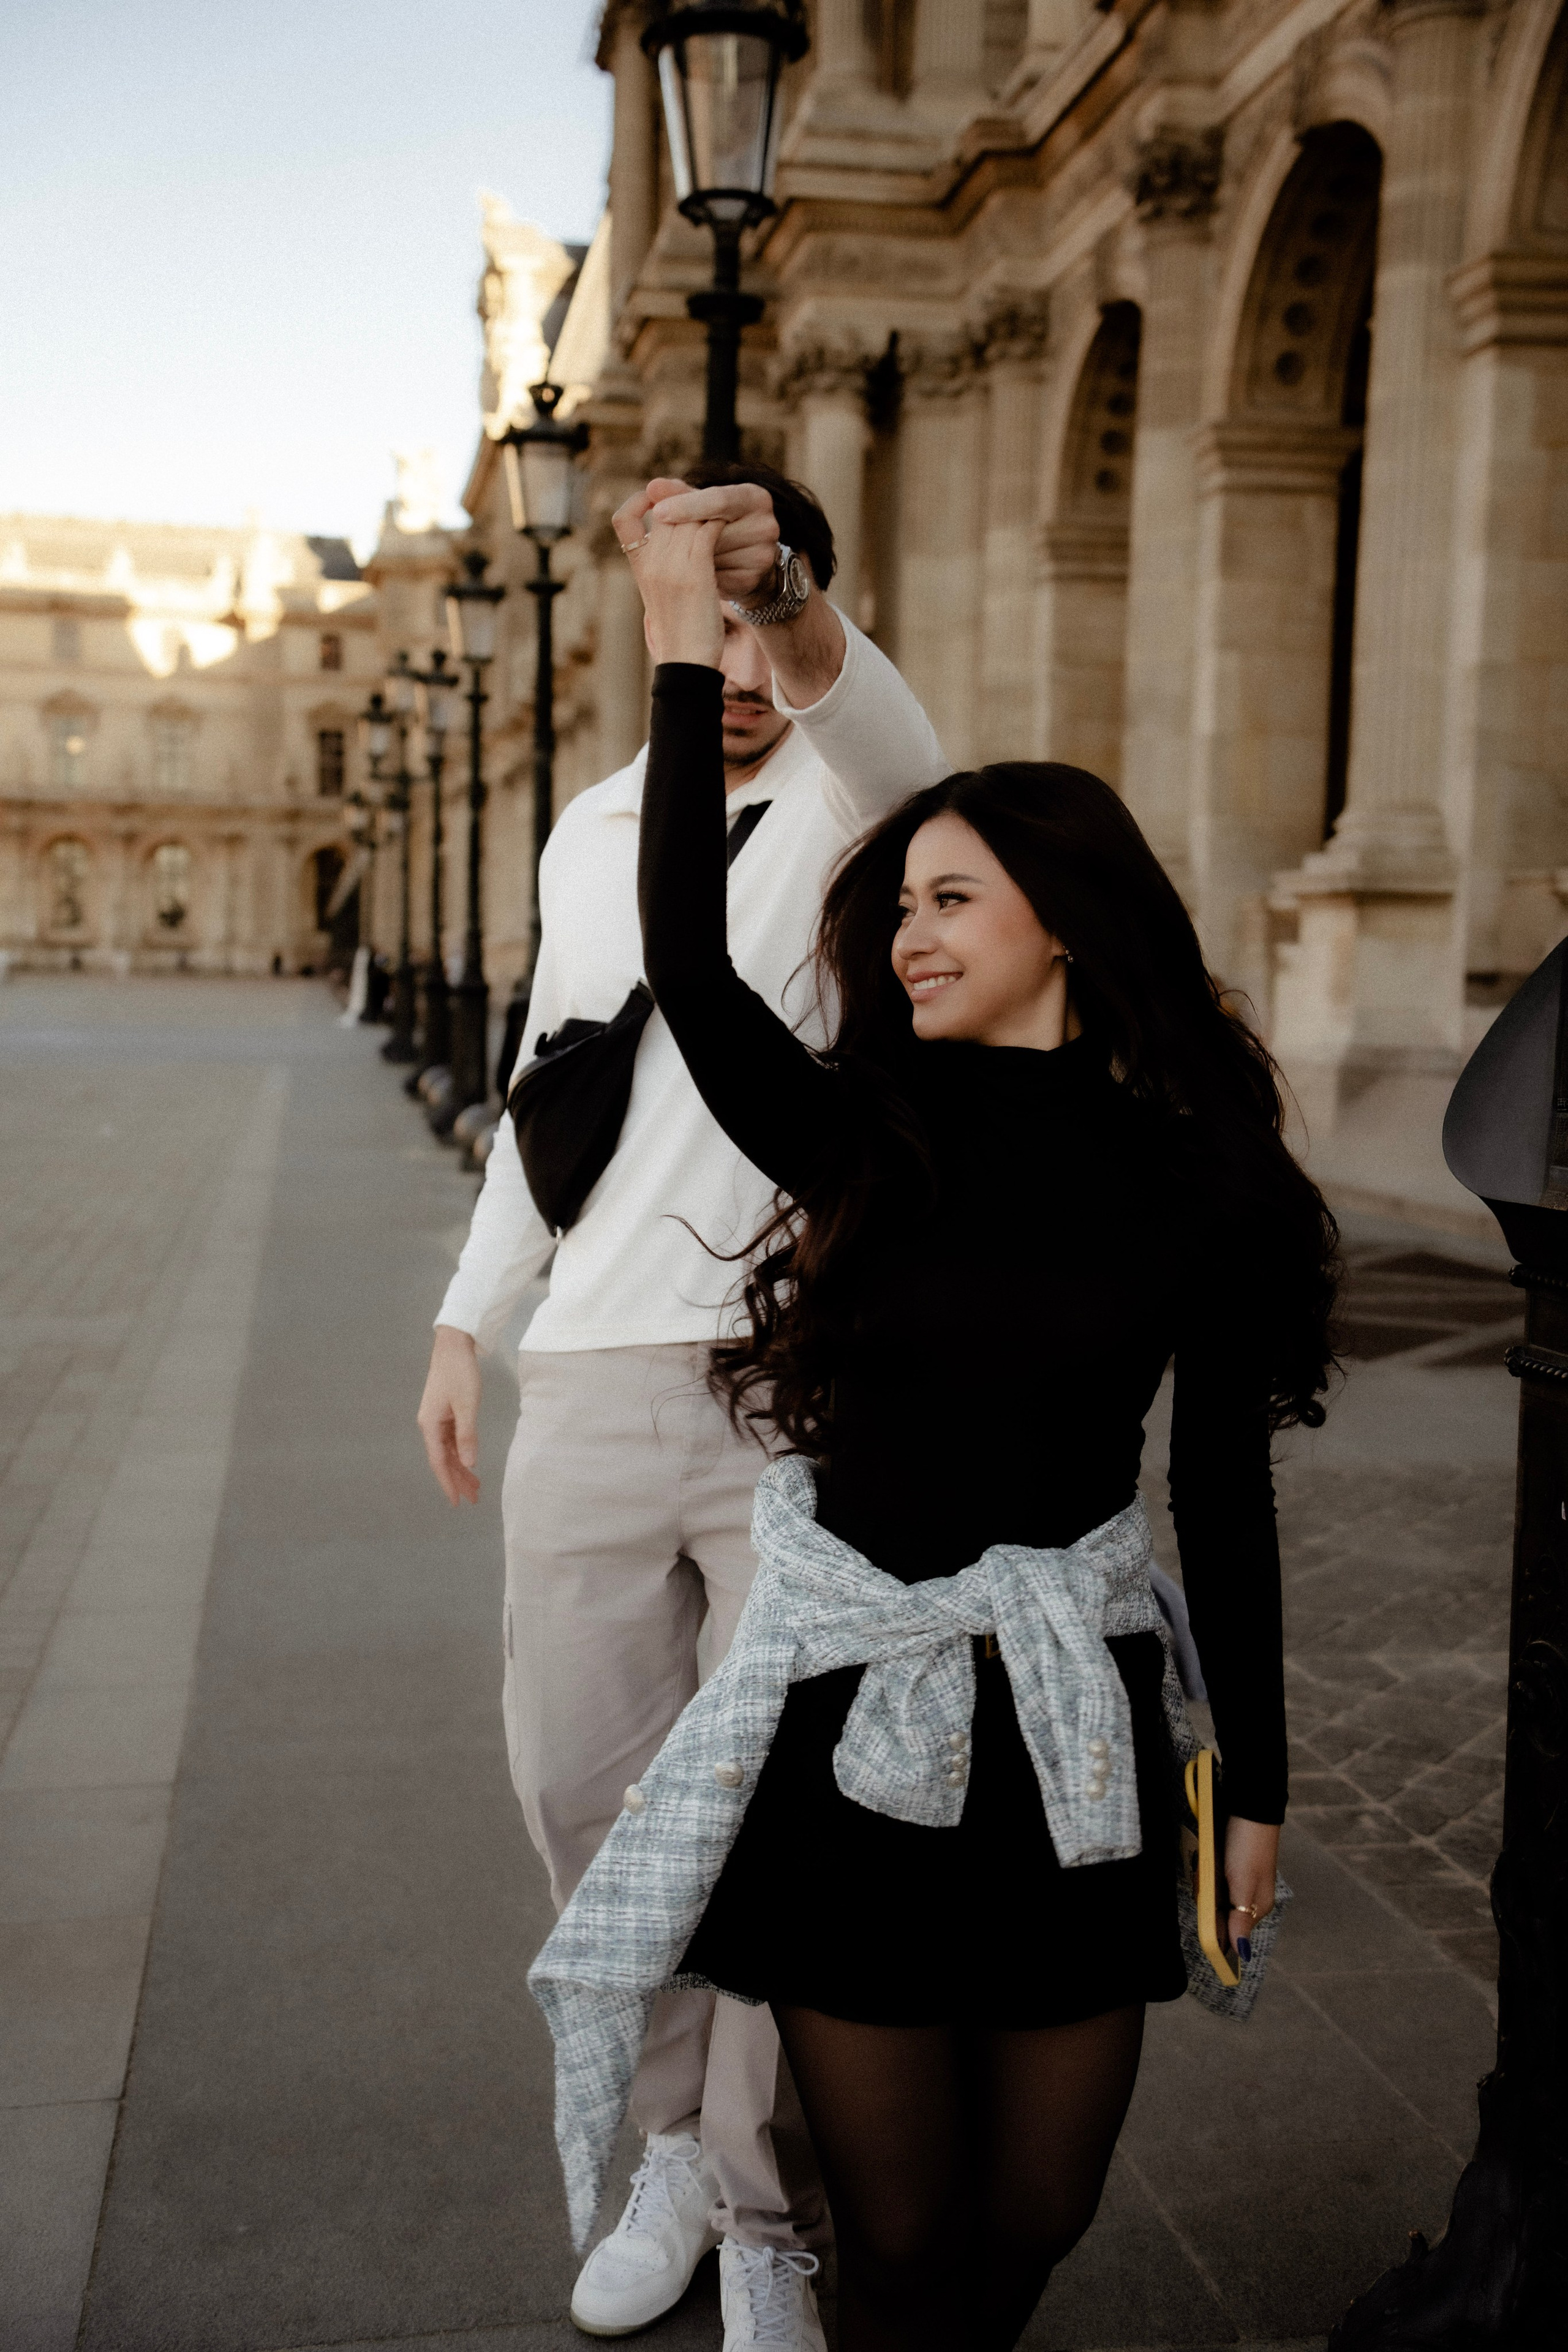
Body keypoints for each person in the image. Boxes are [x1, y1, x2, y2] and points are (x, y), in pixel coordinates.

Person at [575, 508, 1338, 2352]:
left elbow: (1224, 1500)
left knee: (1036, 2219)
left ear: (1063, 920)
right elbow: (684, 955)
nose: (904, 937)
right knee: (901, 2242)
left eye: (949, 901)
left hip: (1076, 1746)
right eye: (898, 904)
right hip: (858, 1750)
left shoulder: (1205, 1183)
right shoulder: (861, 1139)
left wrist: (1258, 1784)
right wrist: (682, 643)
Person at [417, 465, 949, 2351]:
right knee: (584, 1791)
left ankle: (759, 2206)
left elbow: (870, 718)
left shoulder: (868, 805)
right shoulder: (585, 835)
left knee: (777, 1818)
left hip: (796, 1382)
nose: (729, 660)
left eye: (761, 618)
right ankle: (661, 2143)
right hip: (589, 1373)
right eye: (698, 618)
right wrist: (470, 1320)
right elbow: (547, 1094)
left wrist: (776, 589)